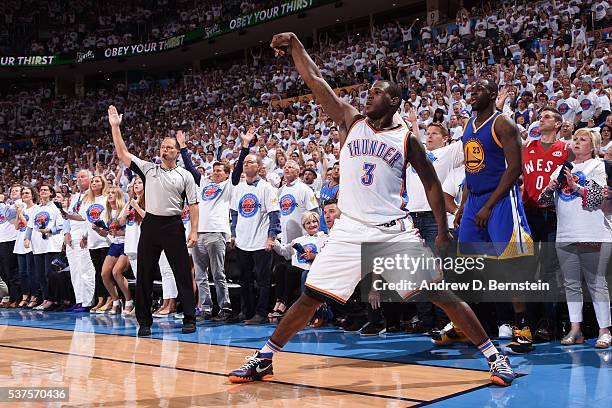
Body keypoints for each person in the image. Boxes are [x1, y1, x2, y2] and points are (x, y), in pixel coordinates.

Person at [228, 32, 515, 387]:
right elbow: (316, 81)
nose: (369, 95)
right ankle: (264, 358)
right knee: (310, 297)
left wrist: (441, 231)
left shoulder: (406, 139)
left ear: (394, 102)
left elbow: (430, 184)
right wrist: (297, 46)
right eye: (370, 91)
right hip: (349, 229)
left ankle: (494, 357)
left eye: (377, 92)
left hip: (391, 230)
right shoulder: (351, 120)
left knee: (440, 294)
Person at [455, 79, 535, 354]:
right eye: (470, 89)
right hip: (475, 199)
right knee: (465, 264)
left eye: (477, 90)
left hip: (501, 200)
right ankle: (462, 324)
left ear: (491, 95)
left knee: (510, 267)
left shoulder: (503, 124)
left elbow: (515, 170)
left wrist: (488, 206)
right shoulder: (468, 125)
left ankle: (523, 329)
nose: (471, 93)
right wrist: (464, 206)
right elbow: (470, 171)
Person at [108, 105, 199, 336]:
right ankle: (144, 322)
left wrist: (194, 231)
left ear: (177, 152)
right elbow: (123, 155)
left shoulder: (185, 175)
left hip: (173, 225)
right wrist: (115, 128)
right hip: (150, 225)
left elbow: (194, 205)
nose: (164, 149)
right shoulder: (149, 169)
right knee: (145, 274)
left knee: (181, 273)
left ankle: (189, 317)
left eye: (169, 147)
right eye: (162, 146)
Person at [539, 128, 611, 348]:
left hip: (593, 231)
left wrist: (575, 186)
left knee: (596, 283)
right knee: (570, 284)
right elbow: (544, 202)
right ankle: (575, 329)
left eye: (583, 139)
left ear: (594, 145)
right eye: (575, 139)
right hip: (565, 232)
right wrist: (550, 188)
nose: (577, 142)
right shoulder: (563, 168)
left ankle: (605, 330)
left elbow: (598, 199)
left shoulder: (600, 166)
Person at [177, 131, 234, 321]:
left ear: (226, 174)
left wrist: (243, 148)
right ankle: (207, 309)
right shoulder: (203, 183)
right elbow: (191, 169)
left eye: (219, 171)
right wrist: (183, 147)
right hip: (198, 233)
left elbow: (238, 169)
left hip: (216, 233)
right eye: (214, 170)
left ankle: (225, 308)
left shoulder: (227, 186)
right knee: (200, 276)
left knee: (218, 273)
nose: (215, 173)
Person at [229, 127, 281, 324]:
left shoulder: (267, 188)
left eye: (250, 161)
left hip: (261, 241)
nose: (245, 164)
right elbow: (234, 213)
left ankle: (261, 313)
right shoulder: (238, 188)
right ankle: (247, 311)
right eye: (244, 162)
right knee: (245, 279)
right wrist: (233, 235)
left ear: (259, 167)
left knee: (263, 280)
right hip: (242, 241)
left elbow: (274, 215)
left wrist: (271, 237)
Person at [62, 170, 97, 312]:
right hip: (72, 236)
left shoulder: (93, 196)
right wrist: (66, 233)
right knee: (75, 271)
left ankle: (88, 302)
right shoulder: (75, 196)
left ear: (90, 179)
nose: (79, 180)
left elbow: (91, 216)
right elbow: (67, 216)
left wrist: (87, 234)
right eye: (77, 178)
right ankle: (79, 300)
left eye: (83, 177)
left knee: (86, 269)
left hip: (84, 235)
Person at [13, 186, 39, 308]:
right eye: (23, 193)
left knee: (31, 272)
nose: (25, 195)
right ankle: (25, 296)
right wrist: (19, 213)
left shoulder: (36, 208)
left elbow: (30, 225)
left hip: (30, 242)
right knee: (22, 272)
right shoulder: (22, 208)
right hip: (19, 242)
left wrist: (20, 213)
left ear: (33, 195)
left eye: (27, 193)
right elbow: (17, 227)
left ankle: (34, 296)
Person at [0, 185, 22, 307]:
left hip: (10, 240)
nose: (13, 192)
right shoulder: (8, 204)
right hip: (2, 240)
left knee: (11, 272)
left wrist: (1, 202)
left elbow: (8, 215)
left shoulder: (20, 204)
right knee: (4, 272)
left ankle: (16, 298)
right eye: (12, 190)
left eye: (16, 190)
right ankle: (10, 297)